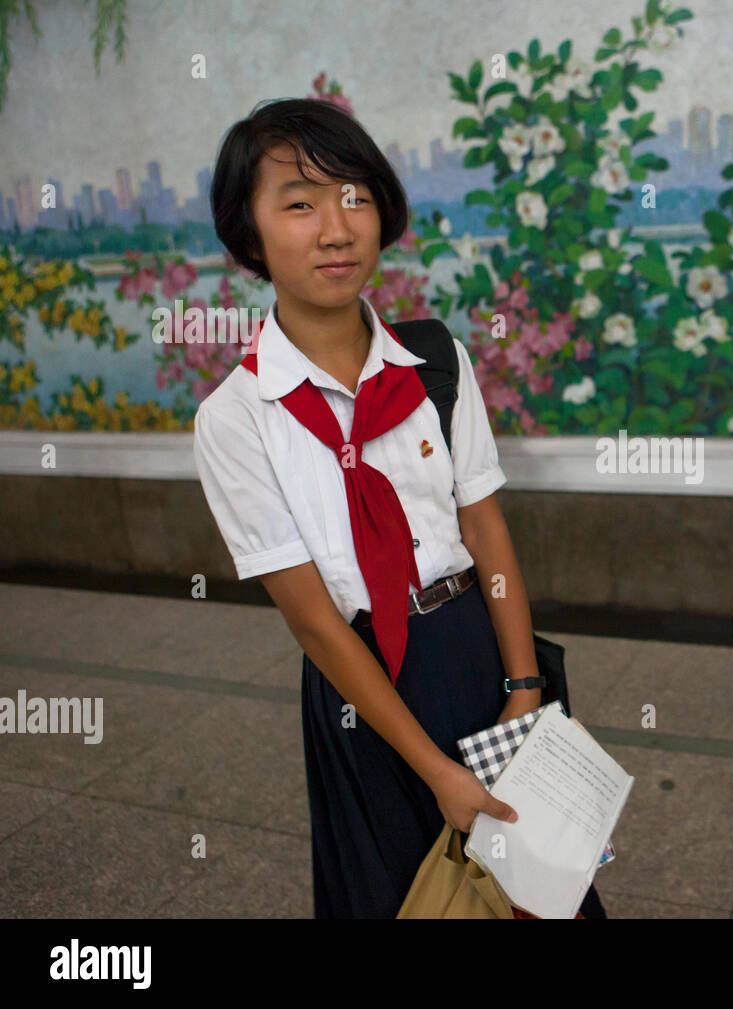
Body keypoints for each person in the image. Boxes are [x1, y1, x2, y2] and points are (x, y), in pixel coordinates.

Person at [194, 98, 544, 917]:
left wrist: (523, 688)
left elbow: (486, 530)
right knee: (397, 895)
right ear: (249, 236)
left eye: (355, 196)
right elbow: (314, 620)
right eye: (299, 203)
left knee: (535, 891)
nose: (336, 227)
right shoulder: (237, 417)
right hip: (363, 687)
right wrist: (438, 771)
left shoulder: (433, 360)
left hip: (475, 649)